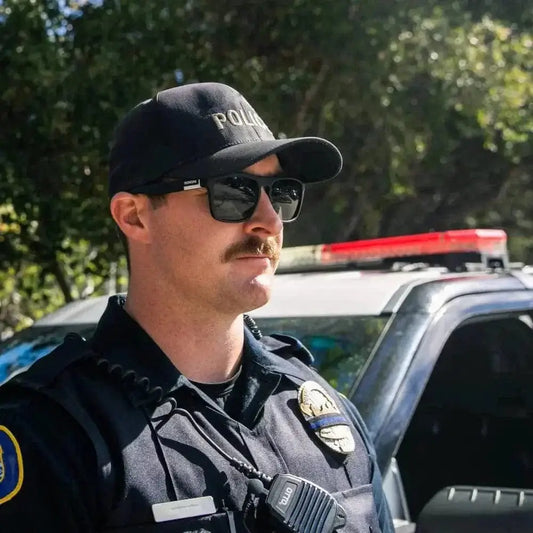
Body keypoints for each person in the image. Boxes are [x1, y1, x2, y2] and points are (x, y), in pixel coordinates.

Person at [0, 82, 394, 532]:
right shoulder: (48, 434)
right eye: (233, 190)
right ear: (134, 215)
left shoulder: (323, 414)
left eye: (281, 191)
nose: (268, 220)